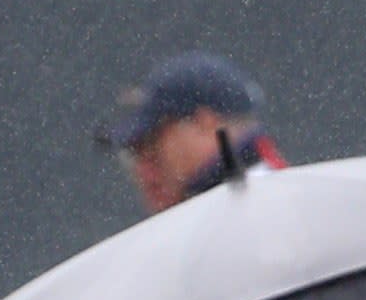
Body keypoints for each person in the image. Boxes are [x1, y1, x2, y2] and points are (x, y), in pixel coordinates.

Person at [102, 50, 279, 213]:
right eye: (133, 158)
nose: (144, 172)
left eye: (152, 146)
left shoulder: (257, 206)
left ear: (206, 123)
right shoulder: (279, 193)